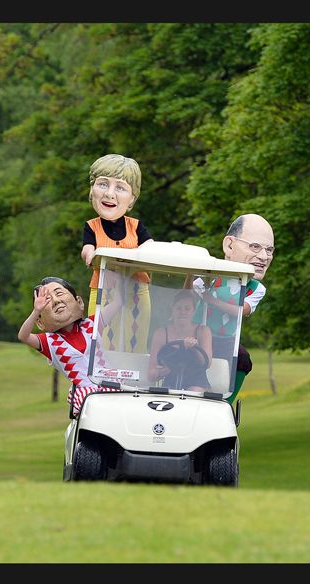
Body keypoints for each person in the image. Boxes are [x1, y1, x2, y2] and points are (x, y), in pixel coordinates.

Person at [193, 213, 274, 403]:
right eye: (255, 247)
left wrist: (212, 301)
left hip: (225, 339)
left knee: (243, 358)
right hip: (197, 334)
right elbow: (189, 293)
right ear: (229, 245)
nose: (263, 256)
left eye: (269, 250)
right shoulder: (210, 274)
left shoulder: (255, 288)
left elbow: (242, 310)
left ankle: (226, 404)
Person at [18, 276, 122, 416]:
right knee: (87, 401)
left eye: (59, 293)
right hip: (87, 393)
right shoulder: (50, 342)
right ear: (40, 322)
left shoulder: (92, 325)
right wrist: (36, 310)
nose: (56, 301)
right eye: (47, 300)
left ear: (79, 302)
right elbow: (23, 336)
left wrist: (118, 276)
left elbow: (118, 302)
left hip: (112, 384)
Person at [80, 153, 153, 352]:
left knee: (135, 338)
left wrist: (139, 256)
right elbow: (88, 248)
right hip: (104, 290)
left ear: (131, 199)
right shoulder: (92, 227)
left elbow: (149, 246)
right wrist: (90, 256)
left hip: (136, 291)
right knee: (102, 339)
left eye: (120, 188)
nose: (110, 194)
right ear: (92, 190)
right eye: (103, 184)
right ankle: (102, 378)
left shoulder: (136, 226)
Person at [148, 290, 213, 392]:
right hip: (170, 383)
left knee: (193, 392)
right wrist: (164, 371)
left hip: (197, 383)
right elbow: (151, 374)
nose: (183, 312)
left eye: (187, 308)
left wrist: (195, 349)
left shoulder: (203, 331)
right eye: (178, 308)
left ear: (194, 311)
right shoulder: (161, 334)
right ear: (172, 310)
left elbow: (207, 363)